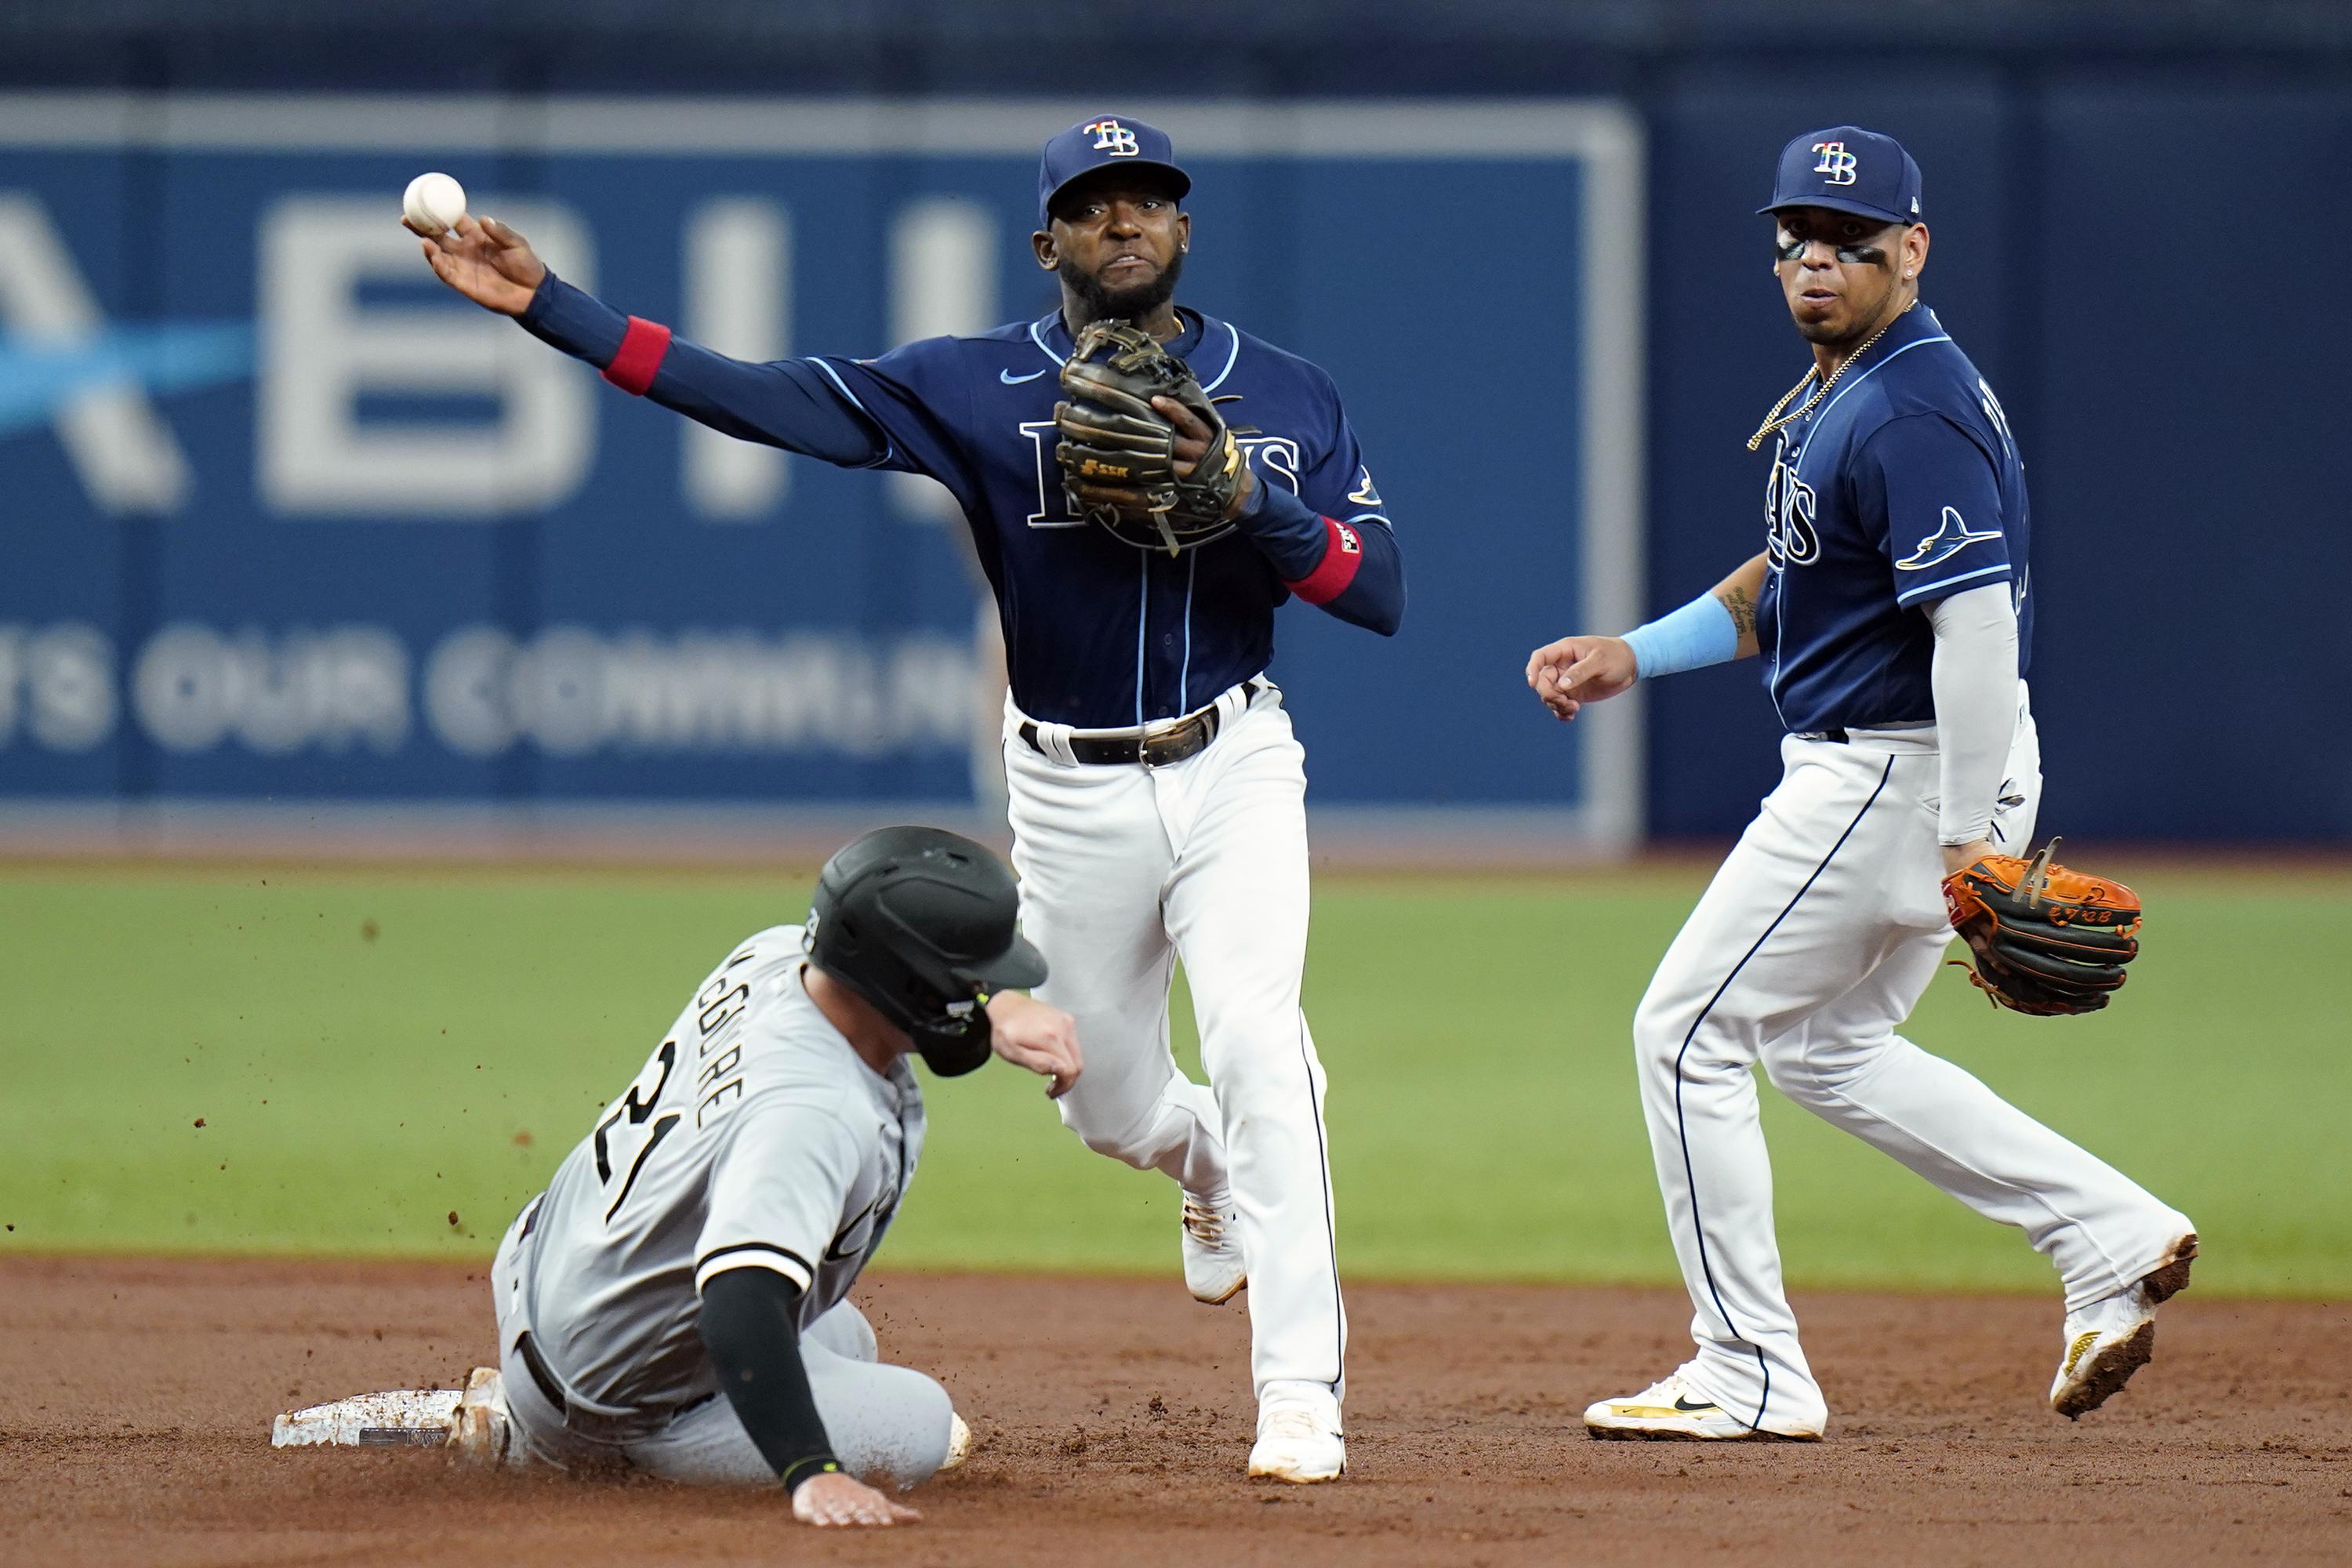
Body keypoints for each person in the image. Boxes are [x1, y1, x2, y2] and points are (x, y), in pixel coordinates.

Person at [410, 114, 1403, 1483]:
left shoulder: (1285, 394)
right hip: (1066, 787)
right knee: (1104, 1104)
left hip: (1237, 762)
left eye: (1149, 200)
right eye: (1093, 204)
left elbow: (1378, 594)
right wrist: (557, 312)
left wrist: (1244, 495)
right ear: (1047, 239)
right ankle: (1206, 1173)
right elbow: (766, 398)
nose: (1125, 223)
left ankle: (1299, 1397)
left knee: (1261, 1045)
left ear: (1184, 227)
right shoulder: (978, 386)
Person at [1525, 126, 2195, 1440]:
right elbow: (1793, 579)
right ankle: (2111, 1235)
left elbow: (1979, 626)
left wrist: (1961, 842)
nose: (1820, 260)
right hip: (1923, 765)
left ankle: (1749, 1370)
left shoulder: (1910, 404)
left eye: (1854, 240)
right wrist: (1636, 654)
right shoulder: (1858, 391)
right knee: (1829, 1049)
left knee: (1682, 1036)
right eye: (1801, 239)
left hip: (1895, 774)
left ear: (1914, 249)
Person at [456, 826, 1081, 1527]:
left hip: (553, 1261)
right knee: (921, 1423)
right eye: (971, 979)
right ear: (905, 981)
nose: (985, 992)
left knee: (845, 1340)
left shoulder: (779, 955)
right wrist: (811, 1472)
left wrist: (989, 1010)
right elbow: (739, 1300)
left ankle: (530, 1405)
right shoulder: (812, 1111)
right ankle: (532, 1443)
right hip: (602, 1391)